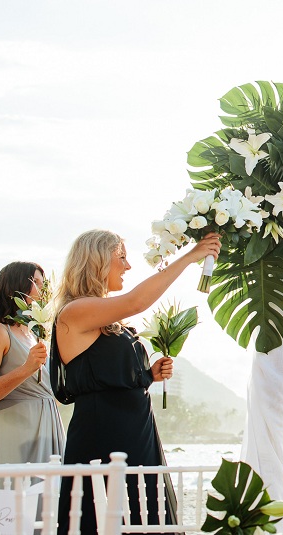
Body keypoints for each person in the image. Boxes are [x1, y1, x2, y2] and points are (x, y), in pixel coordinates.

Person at [53, 229, 220, 535]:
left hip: (136, 431)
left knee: (147, 515)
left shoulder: (103, 316)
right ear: (98, 261)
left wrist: (148, 376)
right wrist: (190, 257)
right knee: (108, 517)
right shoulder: (75, 311)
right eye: (121, 258)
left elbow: (108, 373)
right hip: (105, 433)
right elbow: (136, 302)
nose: (128, 266)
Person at [0, 261, 64, 465]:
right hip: (14, 431)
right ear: (16, 286)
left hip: (47, 426)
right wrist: (26, 369)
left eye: (44, 283)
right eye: (36, 282)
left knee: (49, 495)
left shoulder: (35, 334)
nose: (43, 289)